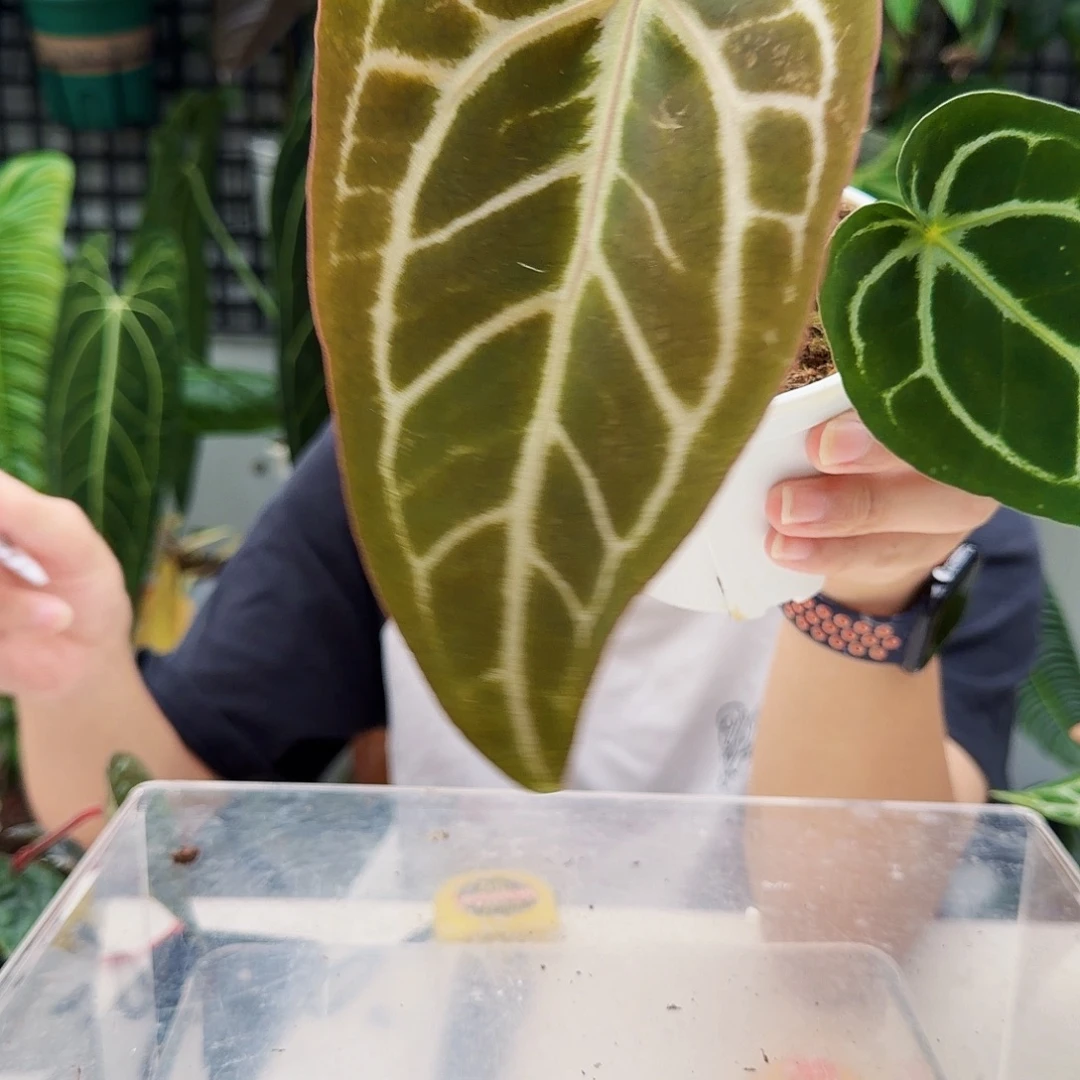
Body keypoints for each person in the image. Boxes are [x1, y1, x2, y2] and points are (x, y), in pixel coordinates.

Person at [1, 411, 1041, 842]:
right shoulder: (418, 448)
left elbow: (852, 938)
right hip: (469, 1017)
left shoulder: (913, 472)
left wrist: (867, 591)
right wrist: (68, 663)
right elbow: (158, 829)